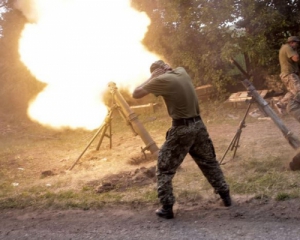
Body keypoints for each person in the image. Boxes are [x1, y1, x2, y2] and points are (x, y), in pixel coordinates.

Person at [132, 60, 231, 219]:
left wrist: (151, 78)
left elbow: (136, 93)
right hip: (198, 125)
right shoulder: (181, 71)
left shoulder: (160, 80)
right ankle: (226, 197)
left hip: (182, 129)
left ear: (156, 72)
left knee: (164, 167)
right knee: (209, 162)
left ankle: (167, 207)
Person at [276, 36, 300, 121]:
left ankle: (281, 103)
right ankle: (287, 105)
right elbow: (295, 58)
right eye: (296, 43)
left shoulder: (284, 47)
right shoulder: (288, 48)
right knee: (298, 91)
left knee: (293, 92)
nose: (297, 45)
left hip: (287, 74)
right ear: (292, 42)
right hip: (289, 74)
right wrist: (296, 53)